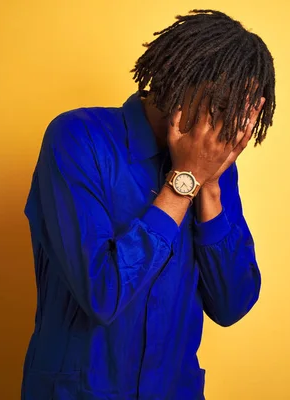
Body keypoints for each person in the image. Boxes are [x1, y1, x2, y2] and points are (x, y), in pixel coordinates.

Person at [21, 9, 276, 400]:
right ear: (179, 75)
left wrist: (208, 186)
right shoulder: (77, 140)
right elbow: (103, 294)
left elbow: (231, 304)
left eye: (245, 112)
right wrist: (182, 182)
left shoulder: (217, 168)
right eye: (224, 103)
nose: (233, 125)